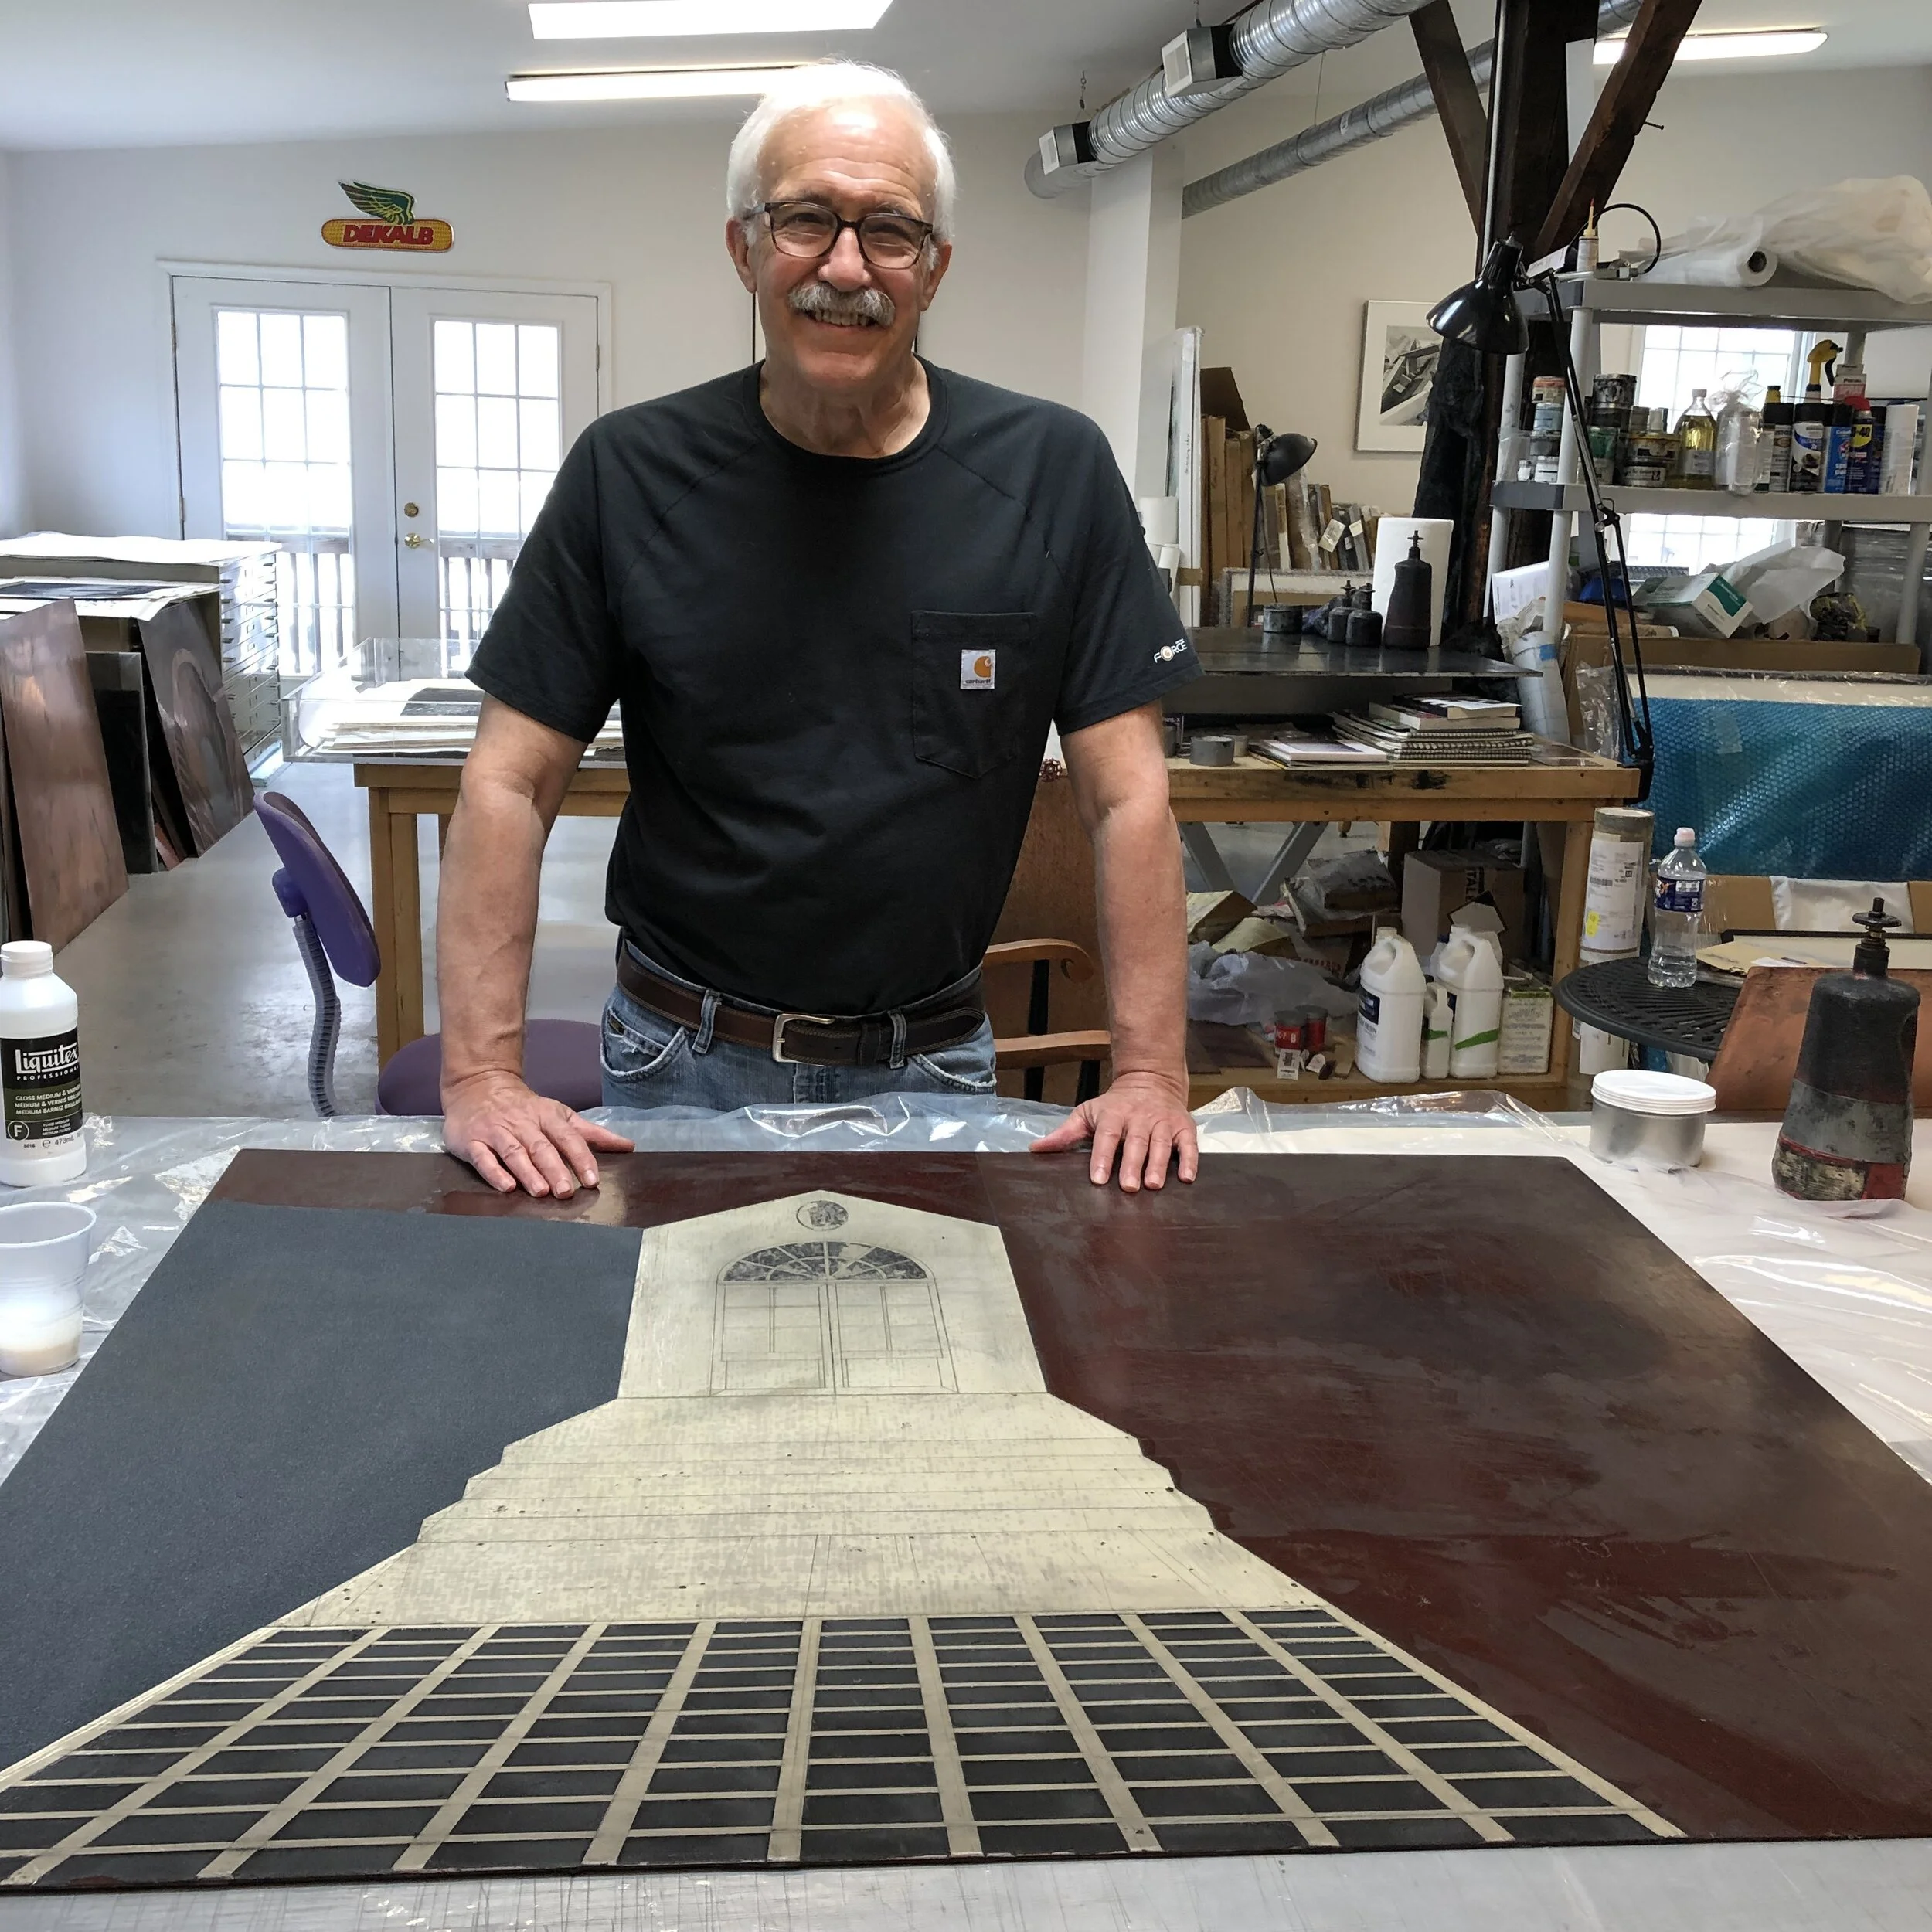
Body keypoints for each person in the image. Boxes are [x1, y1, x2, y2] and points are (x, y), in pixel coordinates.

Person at [437, 60, 1202, 1202]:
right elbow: (508, 782)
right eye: (806, 220)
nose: (846, 267)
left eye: (889, 230)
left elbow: (1129, 795)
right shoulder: (628, 474)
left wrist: (1151, 1071)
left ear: (934, 268)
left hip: (938, 1068)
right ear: (745, 247)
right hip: (676, 1065)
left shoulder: (1055, 474)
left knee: (930, 1383)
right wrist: (479, 1072)